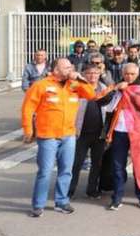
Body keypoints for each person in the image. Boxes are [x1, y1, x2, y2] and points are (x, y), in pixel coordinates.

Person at [21, 58, 97, 217]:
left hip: (68, 135)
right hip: (48, 136)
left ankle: (61, 202)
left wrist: (80, 79)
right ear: (55, 69)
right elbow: (27, 109)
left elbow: (90, 95)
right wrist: (28, 131)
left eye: (71, 66)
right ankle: (38, 205)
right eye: (66, 67)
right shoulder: (41, 85)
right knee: (45, 171)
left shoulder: (74, 85)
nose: (71, 69)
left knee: (66, 171)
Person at [103, 63, 140, 210]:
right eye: (126, 74)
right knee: (118, 166)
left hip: (138, 132)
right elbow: (106, 104)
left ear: (137, 74)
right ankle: (117, 198)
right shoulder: (118, 88)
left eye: (132, 74)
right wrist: (117, 90)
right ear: (123, 74)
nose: (129, 77)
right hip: (119, 131)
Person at [69, 63, 115, 200]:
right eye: (89, 73)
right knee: (76, 163)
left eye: (95, 73)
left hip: (99, 134)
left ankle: (92, 190)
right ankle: (69, 190)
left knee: (97, 163)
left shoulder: (105, 89)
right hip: (80, 133)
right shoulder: (77, 88)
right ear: (83, 74)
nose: (93, 76)